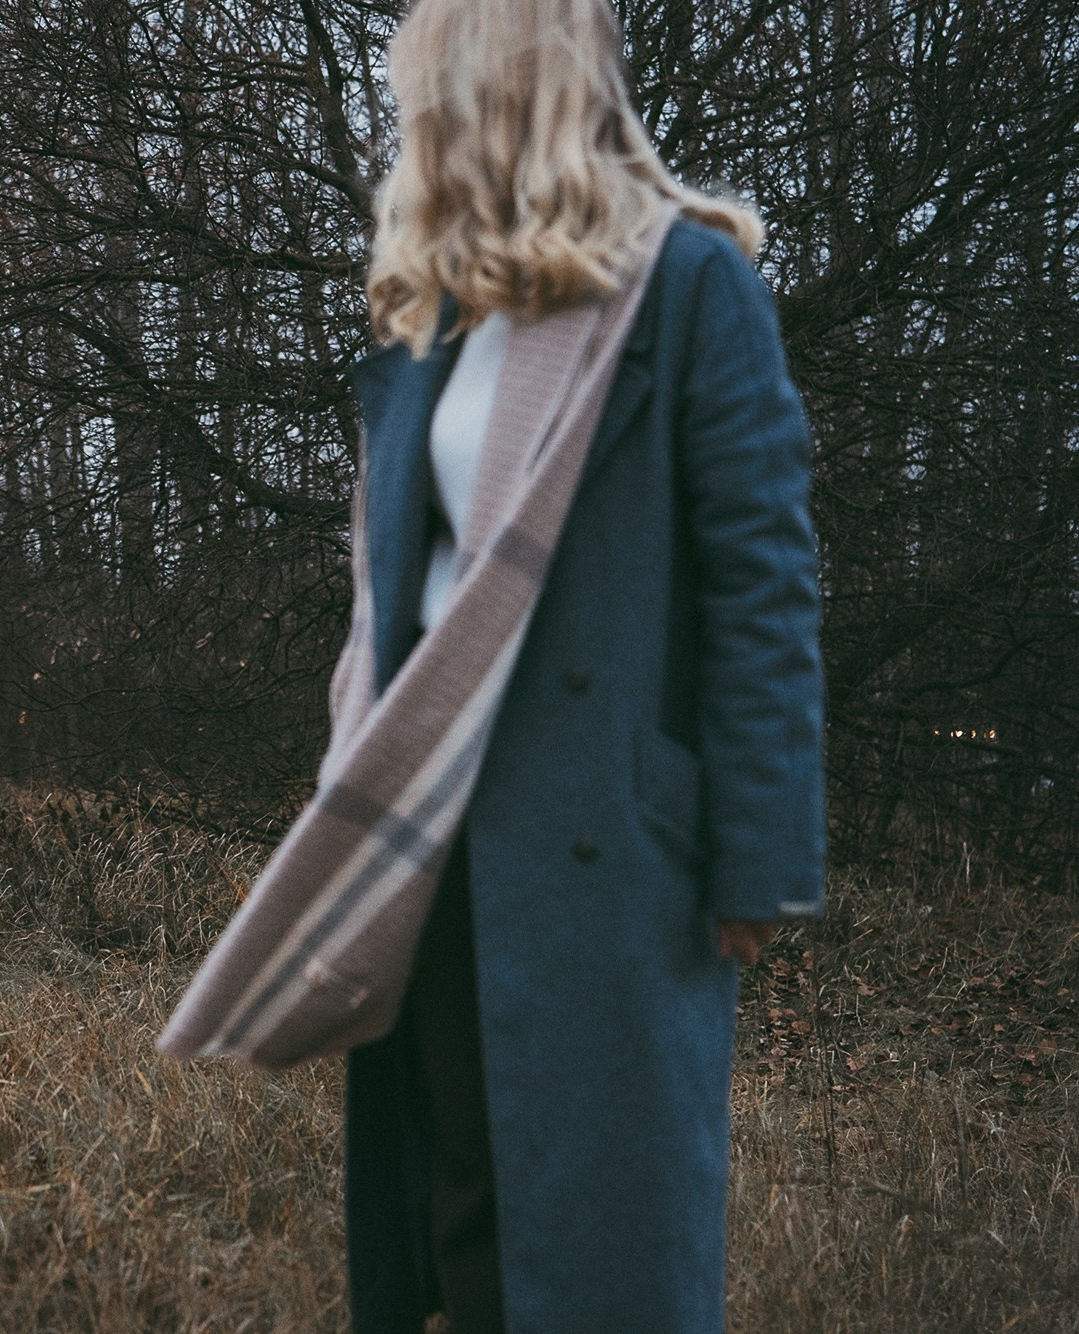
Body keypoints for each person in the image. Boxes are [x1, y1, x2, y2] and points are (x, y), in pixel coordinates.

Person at [342, 0, 824, 1330]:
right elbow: (392, 589)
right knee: (465, 1202)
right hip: (430, 828)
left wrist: (758, 854)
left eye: (435, 82)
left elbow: (763, 583)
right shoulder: (429, 320)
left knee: (603, 1236)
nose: (420, 114)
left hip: (608, 833)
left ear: (506, 82)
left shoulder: (689, 283)